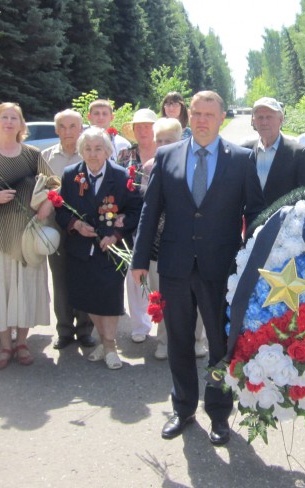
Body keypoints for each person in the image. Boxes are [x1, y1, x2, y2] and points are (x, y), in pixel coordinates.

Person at [131, 90, 264, 446]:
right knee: (178, 340)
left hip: (221, 267)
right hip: (174, 266)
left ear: (222, 118)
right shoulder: (167, 155)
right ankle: (184, 408)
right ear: (189, 117)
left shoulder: (241, 158)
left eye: (210, 113)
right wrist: (139, 260)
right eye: (197, 113)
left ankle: (219, 414)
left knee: (219, 343)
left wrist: (252, 258)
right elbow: (151, 210)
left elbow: (253, 213)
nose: (202, 119)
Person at [0, 103, 59, 370]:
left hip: (26, 237)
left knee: (25, 287)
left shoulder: (32, 155)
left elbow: (54, 185)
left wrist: (46, 206)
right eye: (4, 117)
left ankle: (23, 343)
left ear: (21, 124)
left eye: (14, 118)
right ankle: (5, 345)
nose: (9, 122)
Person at [55, 128, 142, 370]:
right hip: (81, 248)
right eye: (88, 149)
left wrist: (116, 234)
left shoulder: (122, 176)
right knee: (88, 297)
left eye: (98, 149)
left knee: (110, 296)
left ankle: (110, 345)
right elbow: (61, 209)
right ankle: (105, 343)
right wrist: (75, 224)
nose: (93, 154)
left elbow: (136, 211)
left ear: (107, 150)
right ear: (81, 150)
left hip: (111, 249)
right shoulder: (71, 175)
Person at [142, 118, 209, 362]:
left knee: (195, 295)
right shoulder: (149, 166)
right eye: (158, 140)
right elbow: (145, 208)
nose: (161, 145)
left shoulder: (194, 164)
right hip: (159, 243)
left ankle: (197, 340)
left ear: (180, 140)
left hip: (189, 241)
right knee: (161, 296)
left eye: (167, 140)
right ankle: (163, 340)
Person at [41, 109, 94, 350]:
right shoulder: (46, 157)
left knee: (84, 275)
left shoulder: (90, 155)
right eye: (62, 126)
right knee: (60, 278)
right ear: (56, 130)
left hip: (85, 224)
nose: (68, 131)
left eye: (73, 126)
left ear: (80, 129)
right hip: (56, 225)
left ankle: (85, 329)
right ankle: (64, 330)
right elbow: (39, 192)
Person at [117, 108, 160, 344]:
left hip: (163, 222)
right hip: (133, 221)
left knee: (161, 274)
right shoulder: (124, 155)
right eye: (138, 127)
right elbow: (115, 185)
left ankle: (163, 322)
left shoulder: (167, 152)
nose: (143, 130)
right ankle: (140, 325)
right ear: (133, 130)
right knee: (135, 274)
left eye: (147, 126)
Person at [243, 97, 305, 205]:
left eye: (269, 117)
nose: (264, 122)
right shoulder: (244, 151)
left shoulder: (299, 153)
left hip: (284, 220)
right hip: (250, 221)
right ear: (254, 121)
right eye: (260, 117)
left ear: (280, 120)